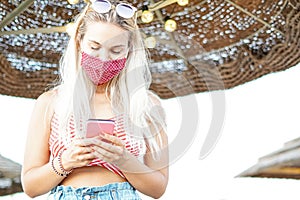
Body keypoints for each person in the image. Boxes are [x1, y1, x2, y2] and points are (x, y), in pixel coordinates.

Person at [21, 0, 169, 199]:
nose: (103, 58)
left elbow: (158, 188)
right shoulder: (50, 102)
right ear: (79, 42)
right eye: (94, 46)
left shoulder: (146, 104)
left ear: (129, 52)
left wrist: (124, 160)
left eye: (116, 51)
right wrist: (65, 162)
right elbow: (30, 186)